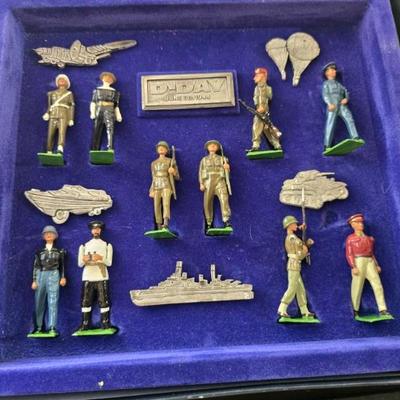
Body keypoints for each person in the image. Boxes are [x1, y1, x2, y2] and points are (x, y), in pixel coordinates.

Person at [345, 213, 391, 317]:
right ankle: (355, 309)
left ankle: (383, 309)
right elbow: (349, 254)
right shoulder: (350, 239)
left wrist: (376, 264)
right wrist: (353, 266)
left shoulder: (369, 239)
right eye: (358, 222)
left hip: (370, 262)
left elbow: (371, 253)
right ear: (353, 225)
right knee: (357, 286)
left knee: (377, 284)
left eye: (361, 222)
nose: (361, 224)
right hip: (358, 261)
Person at [77, 221, 114, 331]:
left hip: (101, 276)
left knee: (103, 300)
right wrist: (85, 259)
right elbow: (80, 264)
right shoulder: (84, 246)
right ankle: (85, 323)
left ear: (100, 230)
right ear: (91, 231)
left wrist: (100, 258)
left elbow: (109, 263)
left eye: (98, 229)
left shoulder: (107, 245)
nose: (96, 231)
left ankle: (105, 322)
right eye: (94, 229)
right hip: (88, 276)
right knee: (86, 300)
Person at [31, 225, 66, 336]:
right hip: (41, 274)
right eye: (46, 233)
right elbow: (36, 266)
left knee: (53, 301)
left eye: (51, 233)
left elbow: (62, 266)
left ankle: (52, 327)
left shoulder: (59, 252)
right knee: (39, 301)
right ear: (43, 236)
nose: (49, 235)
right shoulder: (39, 252)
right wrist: (34, 280)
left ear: (55, 236)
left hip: (54, 274)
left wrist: (63, 277)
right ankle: (39, 327)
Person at [277, 215, 314, 318]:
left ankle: (304, 310)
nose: (296, 225)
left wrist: (302, 230)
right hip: (294, 263)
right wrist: (306, 248)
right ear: (289, 225)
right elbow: (300, 253)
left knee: (300, 288)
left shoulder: (292, 237)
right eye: (294, 224)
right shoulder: (292, 238)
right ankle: (282, 308)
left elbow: (300, 245)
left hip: (295, 264)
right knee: (292, 287)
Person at [322, 62, 360, 149]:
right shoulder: (326, 84)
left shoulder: (339, 85)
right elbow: (325, 95)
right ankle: (327, 145)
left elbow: (346, 92)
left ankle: (355, 137)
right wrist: (329, 104)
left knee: (349, 118)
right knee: (330, 123)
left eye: (334, 70)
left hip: (341, 104)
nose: (334, 71)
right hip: (333, 104)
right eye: (332, 70)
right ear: (327, 73)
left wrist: (346, 98)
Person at [199, 140, 231, 231]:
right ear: (207, 148)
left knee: (224, 200)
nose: (212, 146)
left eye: (214, 145)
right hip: (208, 182)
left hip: (220, 180)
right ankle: (209, 222)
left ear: (217, 148)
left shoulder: (223, 159)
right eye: (210, 145)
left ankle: (226, 220)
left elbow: (227, 173)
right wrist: (201, 183)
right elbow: (200, 172)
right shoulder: (204, 160)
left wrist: (227, 168)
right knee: (207, 202)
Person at [249, 67, 282, 152]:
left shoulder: (268, 88)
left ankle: (274, 144)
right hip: (258, 110)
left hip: (264, 111)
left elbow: (269, 98)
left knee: (264, 127)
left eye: (257, 75)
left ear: (262, 76)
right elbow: (255, 98)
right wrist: (258, 106)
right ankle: (258, 144)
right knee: (263, 127)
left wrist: (263, 107)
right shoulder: (256, 88)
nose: (254, 78)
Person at [149, 141, 179, 230]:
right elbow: (153, 177)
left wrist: (173, 172)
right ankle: (158, 224)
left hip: (166, 184)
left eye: (163, 147)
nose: (161, 149)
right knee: (156, 205)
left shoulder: (171, 161)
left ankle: (165, 223)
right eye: (159, 147)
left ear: (167, 150)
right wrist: (151, 189)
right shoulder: (153, 163)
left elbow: (177, 177)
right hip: (157, 185)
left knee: (166, 204)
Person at [42, 74, 75, 154]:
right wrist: (47, 113)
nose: (61, 80)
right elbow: (50, 105)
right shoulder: (51, 93)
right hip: (53, 114)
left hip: (63, 114)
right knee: (50, 133)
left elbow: (71, 106)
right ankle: (49, 149)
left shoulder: (69, 93)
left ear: (67, 83)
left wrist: (71, 118)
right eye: (59, 79)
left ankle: (60, 148)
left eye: (64, 80)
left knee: (62, 132)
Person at [90, 72, 122, 151]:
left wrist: (118, 115)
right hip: (99, 109)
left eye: (109, 78)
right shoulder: (97, 90)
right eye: (106, 77)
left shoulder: (114, 92)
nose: (107, 79)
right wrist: (92, 112)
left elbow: (116, 106)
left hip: (109, 110)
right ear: (102, 79)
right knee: (97, 128)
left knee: (110, 129)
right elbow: (93, 102)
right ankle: (95, 148)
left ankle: (110, 148)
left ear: (112, 81)